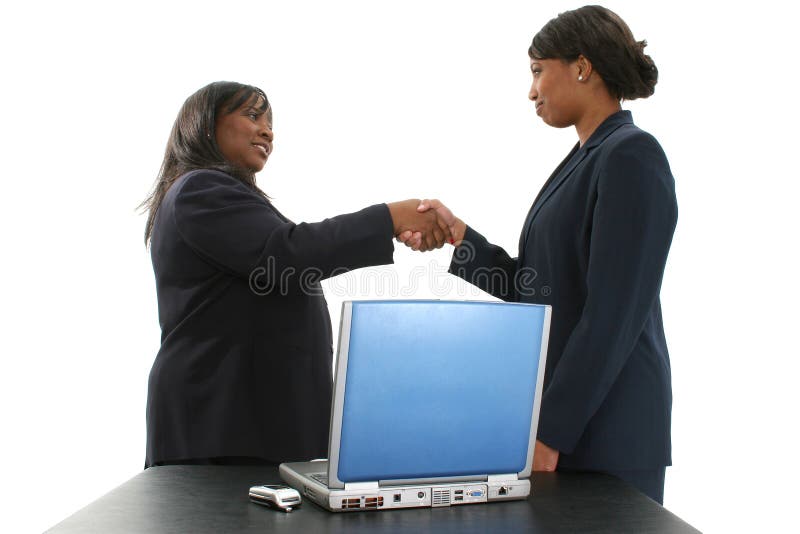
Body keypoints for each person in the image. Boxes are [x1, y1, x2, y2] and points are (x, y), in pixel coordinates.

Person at [399, 6, 677, 504]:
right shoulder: (586, 159)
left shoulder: (632, 156)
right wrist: (461, 236)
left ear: (582, 66)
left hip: (607, 434)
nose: (531, 91)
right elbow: (535, 285)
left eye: (536, 70)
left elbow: (613, 316)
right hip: (570, 429)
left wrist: (552, 432)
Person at [140, 81, 451, 468]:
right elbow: (286, 254)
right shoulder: (199, 190)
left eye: (270, 121)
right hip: (221, 431)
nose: (267, 131)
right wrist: (389, 218)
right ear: (205, 126)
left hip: (249, 429)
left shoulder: (225, 198)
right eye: (252, 116)